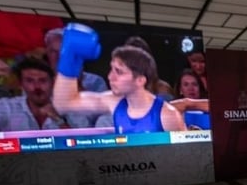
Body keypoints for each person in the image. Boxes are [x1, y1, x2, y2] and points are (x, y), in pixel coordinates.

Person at [52, 23, 186, 134]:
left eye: (119, 72)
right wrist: (69, 60)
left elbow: (188, 158)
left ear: (140, 80)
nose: (110, 77)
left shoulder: (167, 115)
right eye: (111, 69)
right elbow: (64, 104)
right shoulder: (113, 102)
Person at [0, 57, 90, 131]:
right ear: (21, 84)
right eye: (29, 81)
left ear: (53, 83)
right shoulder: (9, 107)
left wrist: (59, 120)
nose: (37, 87)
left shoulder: (71, 108)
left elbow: (86, 147)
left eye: (42, 80)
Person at [44, 27, 107, 93]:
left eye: (65, 52)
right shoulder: (37, 80)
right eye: (54, 51)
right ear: (47, 52)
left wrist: (77, 83)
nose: (59, 56)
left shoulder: (96, 82)